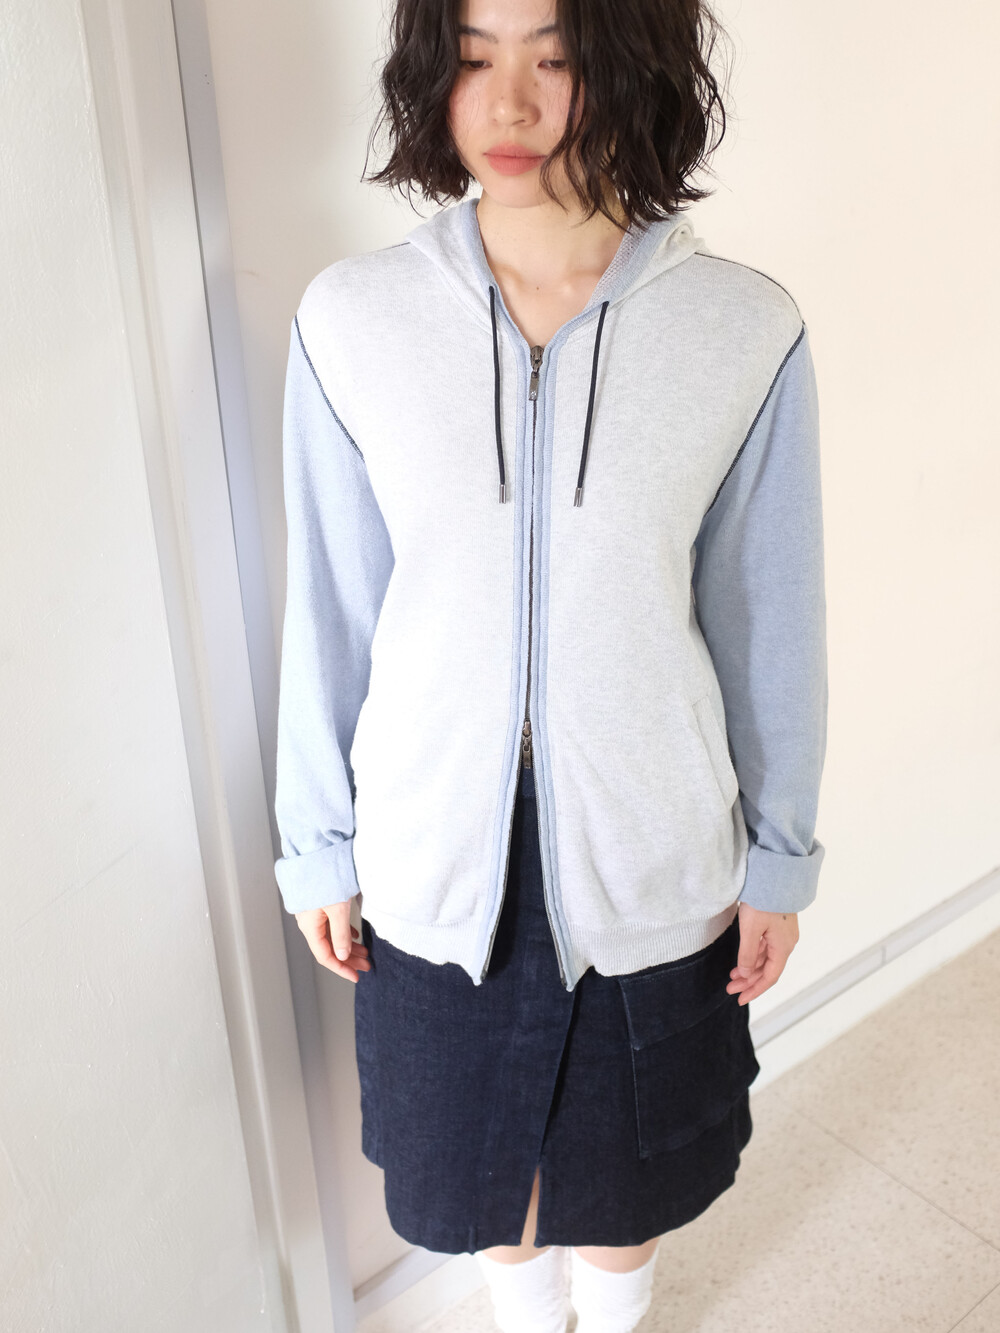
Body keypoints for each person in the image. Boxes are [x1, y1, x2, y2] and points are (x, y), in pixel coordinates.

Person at [271, 0, 828, 1329]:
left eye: (556, 57)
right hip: (434, 849)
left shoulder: (740, 329)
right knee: (483, 1185)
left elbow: (770, 618)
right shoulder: (353, 320)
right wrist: (318, 842)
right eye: (472, 59)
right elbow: (332, 606)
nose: (509, 104)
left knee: (624, 1179)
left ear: (630, 66)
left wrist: (780, 855)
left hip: (646, 847)